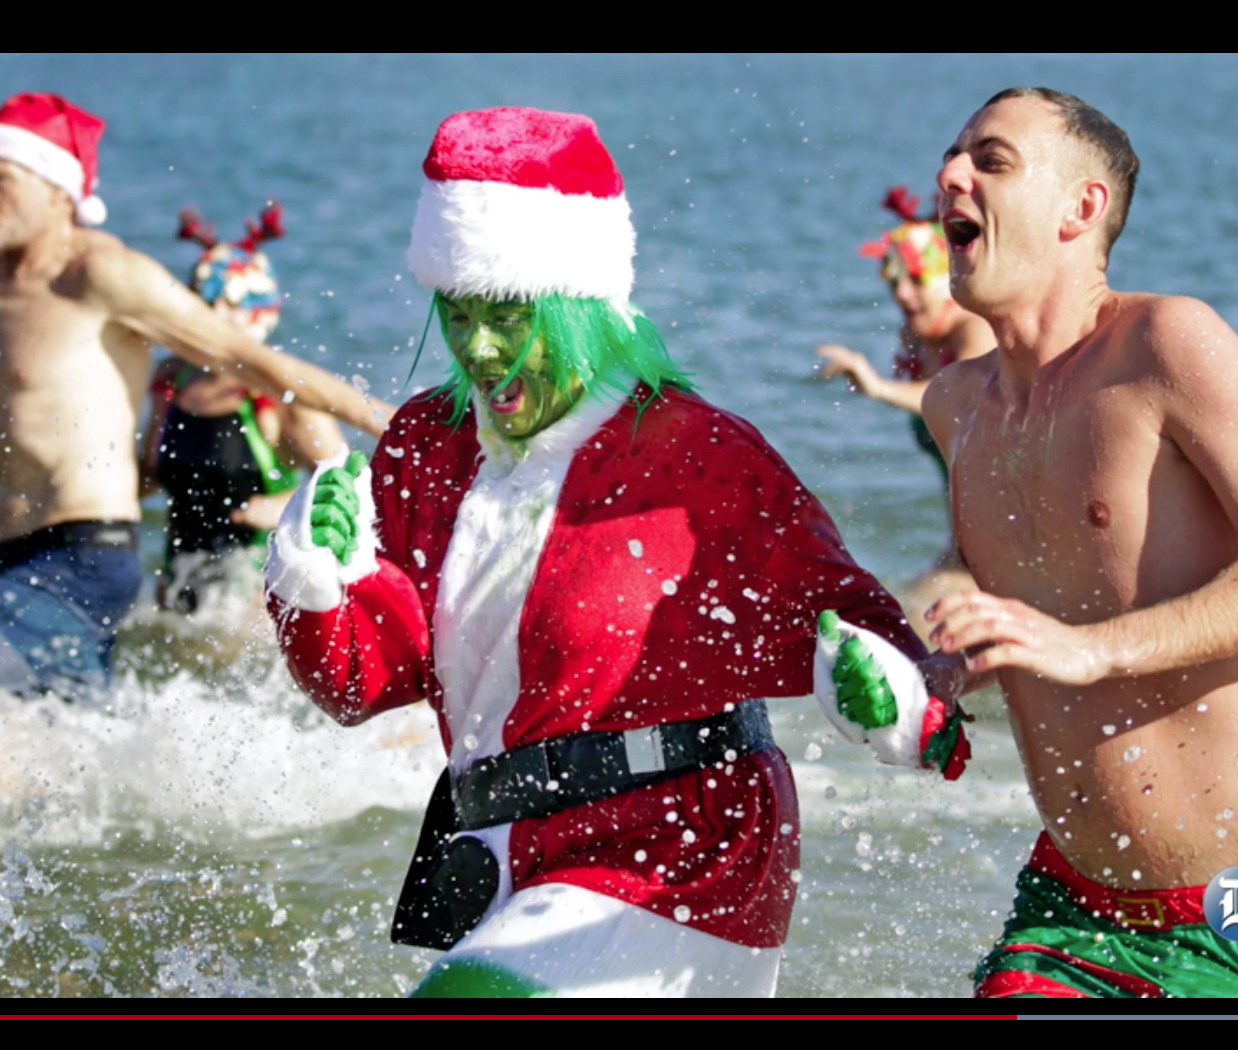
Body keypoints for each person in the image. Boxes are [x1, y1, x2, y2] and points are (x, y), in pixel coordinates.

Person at [264, 106, 969, 998]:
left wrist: (888, 698)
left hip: (685, 854)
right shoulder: (423, 447)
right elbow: (363, 685)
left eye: (511, 315)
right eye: (457, 310)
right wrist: (314, 585)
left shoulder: (699, 457)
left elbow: (858, 630)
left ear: (583, 301)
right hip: (500, 861)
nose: (478, 349)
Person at [922, 87, 1238, 997]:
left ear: (1079, 207)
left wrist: (1091, 651)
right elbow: (1008, 581)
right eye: (953, 157)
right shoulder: (953, 407)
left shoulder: (1169, 344)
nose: (949, 176)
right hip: (1077, 915)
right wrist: (939, 666)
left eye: (993, 161)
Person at [0, 93, 391, 701]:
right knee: (65, 780)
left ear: (57, 191)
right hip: (17, 556)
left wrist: (386, 421)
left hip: (83, 559)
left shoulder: (101, 273)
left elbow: (249, 359)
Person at [141, 203, 344, 615]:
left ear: (258, 311)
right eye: (204, 303)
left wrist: (276, 507)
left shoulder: (278, 394)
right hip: (178, 577)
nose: (214, 317)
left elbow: (345, 481)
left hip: (254, 588)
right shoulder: (170, 381)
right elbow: (145, 477)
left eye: (229, 305)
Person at [815, 186, 995, 483]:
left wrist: (878, 387)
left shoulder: (977, 327)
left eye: (915, 279)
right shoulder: (914, 336)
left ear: (948, 277)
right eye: (893, 280)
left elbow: (961, 398)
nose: (901, 293)